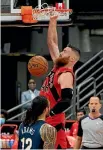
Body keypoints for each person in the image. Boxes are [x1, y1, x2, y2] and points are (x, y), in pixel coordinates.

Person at [40, 15, 80, 149]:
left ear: (72, 59)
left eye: (65, 52)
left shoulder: (67, 74)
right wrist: (53, 20)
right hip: (44, 121)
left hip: (53, 125)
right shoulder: (58, 66)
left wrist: (50, 113)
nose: (61, 52)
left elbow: (66, 100)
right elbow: (52, 43)